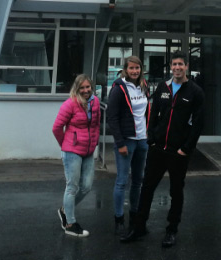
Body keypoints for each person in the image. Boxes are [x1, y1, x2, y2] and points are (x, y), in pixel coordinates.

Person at [121, 50, 205, 247]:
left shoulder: (195, 92)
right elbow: (154, 113)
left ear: (186, 66)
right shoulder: (162, 87)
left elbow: (198, 124)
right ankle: (139, 227)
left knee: (176, 192)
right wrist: (151, 137)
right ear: (171, 67)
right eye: (174, 64)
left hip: (178, 152)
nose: (177, 67)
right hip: (158, 148)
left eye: (180, 64)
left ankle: (171, 230)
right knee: (147, 188)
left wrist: (186, 148)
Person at [52, 74, 101, 237]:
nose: (86, 90)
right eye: (82, 88)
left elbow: (96, 125)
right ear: (77, 88)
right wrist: (65, 145)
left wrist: (94, 143)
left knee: (86, 187)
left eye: (88, 87)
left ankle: (65, 210)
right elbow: (57, 128)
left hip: (88, 151)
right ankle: (70, 223)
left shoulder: (95, 102)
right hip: (72, 151)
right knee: (72, 187)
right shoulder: (70, 104)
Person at [107, 56, 150, 235]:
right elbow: (112, 117)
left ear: (141, 69)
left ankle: (134, 216)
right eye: (131, 68)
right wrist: (120, 142)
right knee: (122, 181)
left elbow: (147, 111)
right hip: (127, 141)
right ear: (125, 69)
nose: (134, 71)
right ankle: (119, 219)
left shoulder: (143, 86)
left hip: (143, 140)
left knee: (138, 181)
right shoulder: (118, 89)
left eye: (137, 68)